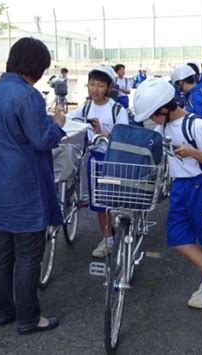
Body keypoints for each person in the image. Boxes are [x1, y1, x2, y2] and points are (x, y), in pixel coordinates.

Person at [0, 37, 66, 334]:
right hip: (23, 186)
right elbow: (42, 139)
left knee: (0, 251)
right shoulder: (28, 96)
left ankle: (3, 312)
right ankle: (28, 318)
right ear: (37, 66)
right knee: (28, 254)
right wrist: (58, 123)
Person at [133, 78, 202, 311]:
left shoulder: (196, 125)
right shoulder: (162, 127)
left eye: (153, 115)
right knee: (178, 237)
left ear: (164, 109)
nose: (152, 121)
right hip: (180, 186)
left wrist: (192, 152)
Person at [67, 65, 129, 258]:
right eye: (91, 84)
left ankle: (121, 232)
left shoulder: (117, 109)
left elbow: (125, 137)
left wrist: (105, 133)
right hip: (95, 160)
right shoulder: (85, 107)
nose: (95, 89)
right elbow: (67, 121)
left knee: (116, 201)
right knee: (100, 204)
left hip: (115, 160)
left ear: (109, 87)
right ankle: (108, 239)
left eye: (100, 85)